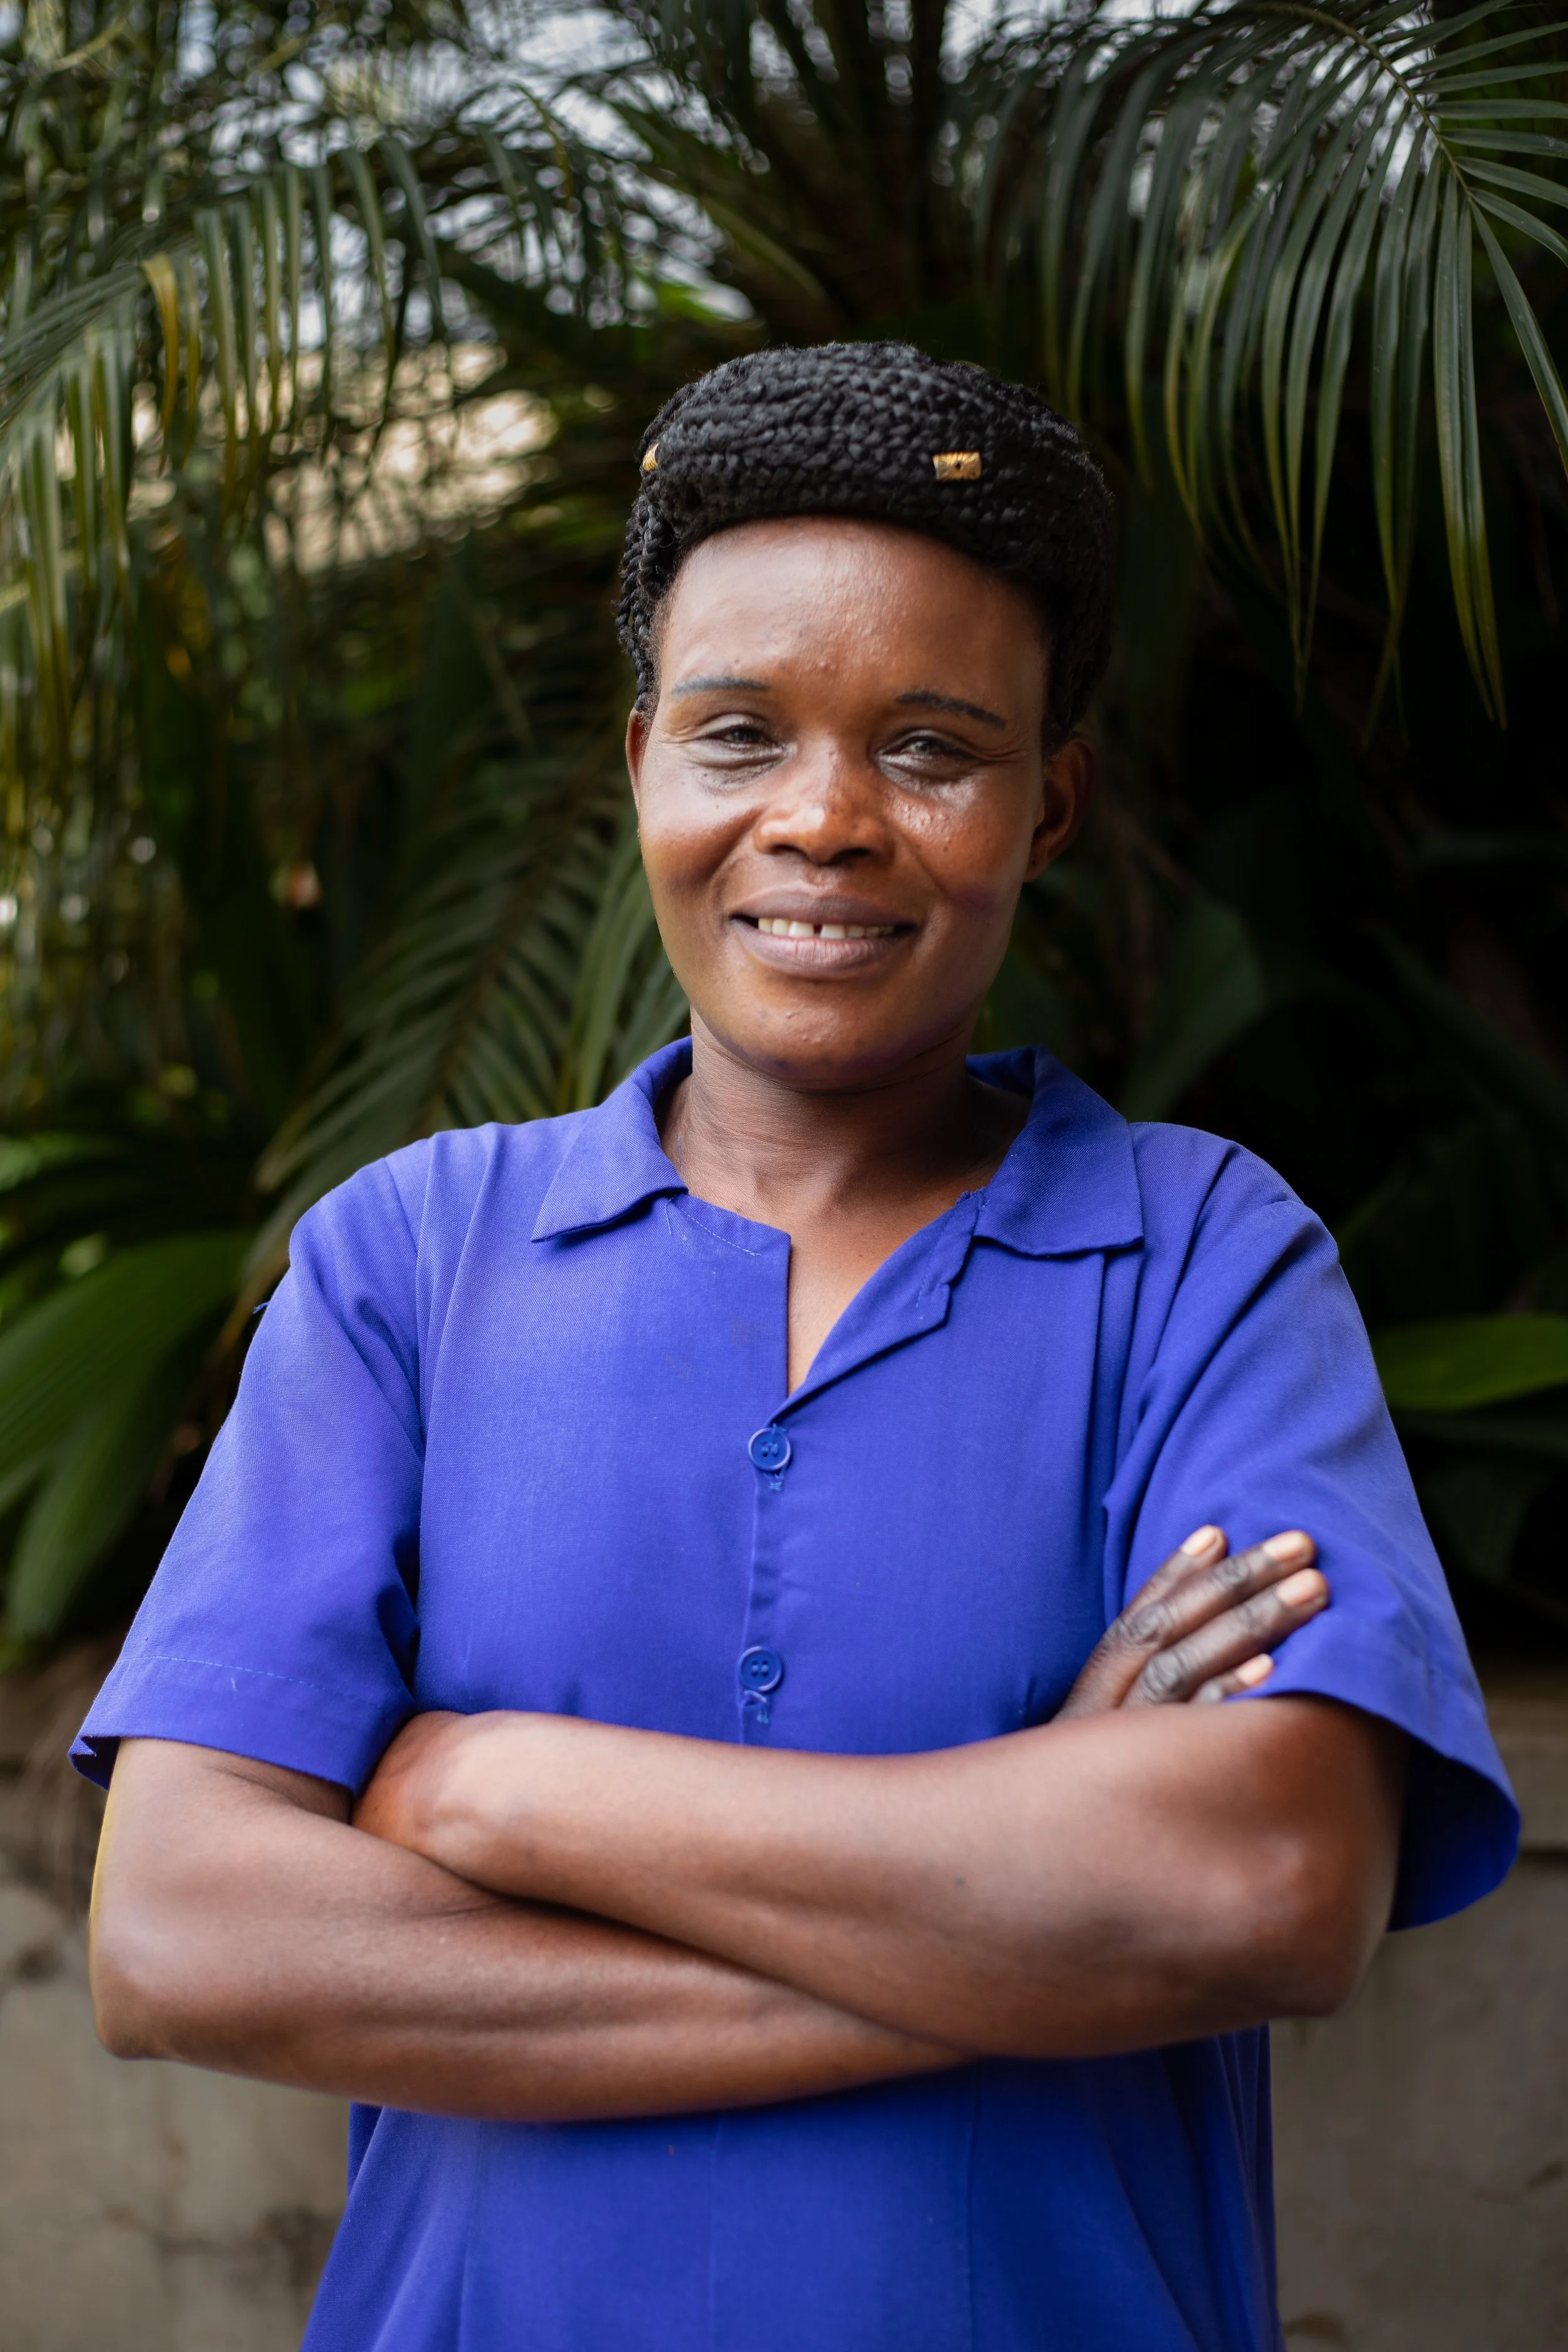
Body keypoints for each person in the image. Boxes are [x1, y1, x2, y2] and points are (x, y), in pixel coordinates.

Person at [76, 343, 1516, 2352]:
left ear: (1050, 798)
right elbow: (180, 1934)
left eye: (932, 748)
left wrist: (503, 1788)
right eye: (741, 731)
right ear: (644, 757)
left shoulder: (1197, 1256)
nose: (824, 820)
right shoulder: (410, 1264)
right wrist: (1021, 1898)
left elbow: (1256, 1888)